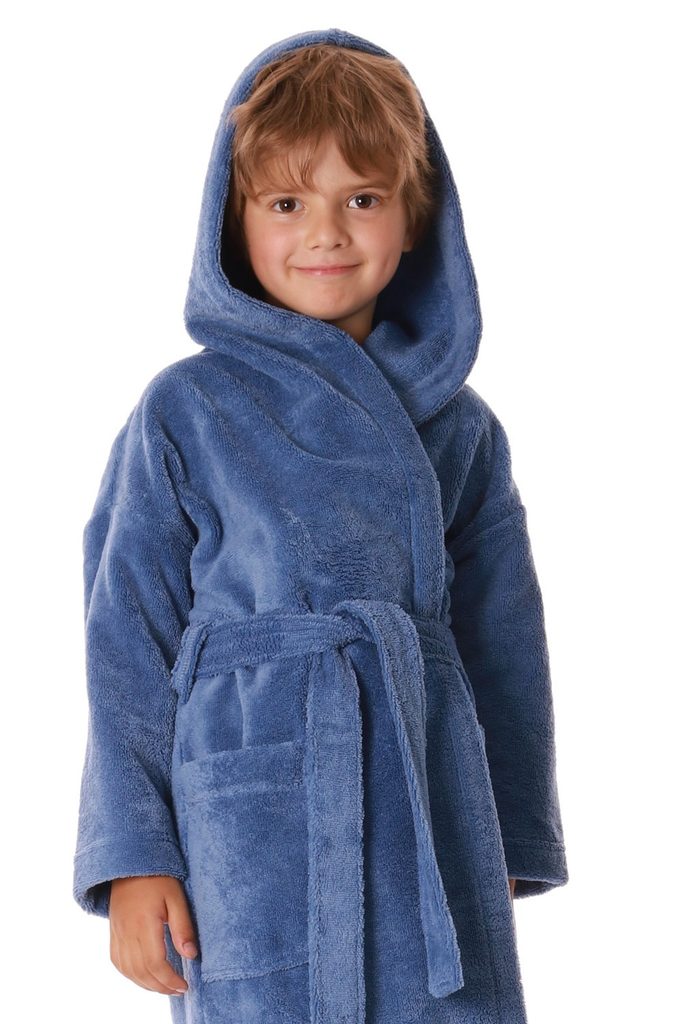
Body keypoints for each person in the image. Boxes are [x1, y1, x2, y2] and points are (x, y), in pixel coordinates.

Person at [72, 28, 569, 1024]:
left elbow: (504, 641)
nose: (326, 233)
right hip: (245, 809)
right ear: (233, 220)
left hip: (425, 793)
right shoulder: (186, 409)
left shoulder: (460, 426)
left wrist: (512, 829)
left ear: (416, 215)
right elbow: (127, 636)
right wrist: (132, 857)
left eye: (363, 199)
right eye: (287, 203)